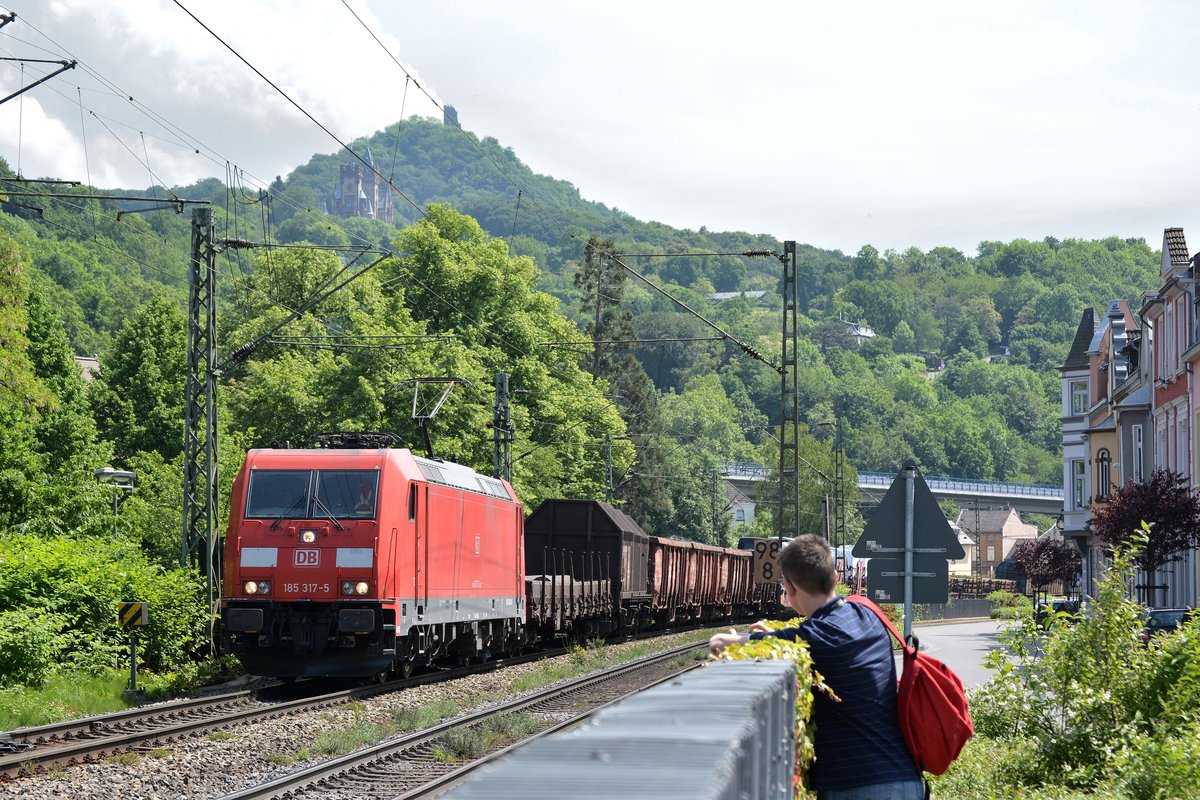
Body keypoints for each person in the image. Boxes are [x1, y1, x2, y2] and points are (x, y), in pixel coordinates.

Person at [709, 535, 923, 800]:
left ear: (789, 587)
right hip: (905, 779)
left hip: (860, 786)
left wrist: (732, 640)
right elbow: (817, 638)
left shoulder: (816, 635)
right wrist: (774, 636)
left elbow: (723, 643)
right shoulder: (867, 616)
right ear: (835, 576)